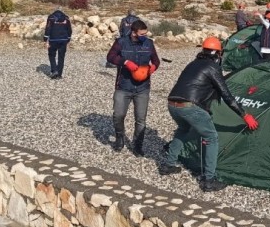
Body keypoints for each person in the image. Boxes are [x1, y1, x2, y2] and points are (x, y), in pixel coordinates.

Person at [160, 37, 259, 192]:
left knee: (183, 130)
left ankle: (168, 165)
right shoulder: (212, 67)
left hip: (172, 104)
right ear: (218, 53)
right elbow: (226, 95)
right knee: (211, 137)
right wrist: (244, 114)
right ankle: (209, 180)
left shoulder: (192, 64)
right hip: (188, 107)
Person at [106, 20, 160, 155]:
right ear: (134, 33)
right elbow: (110, 57)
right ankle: (119, 138)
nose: (145, 36)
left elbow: (156, 60)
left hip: (143, 87)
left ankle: (137, 145)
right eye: (142, 34)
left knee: (141, 119)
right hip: (123, 86)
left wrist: (154, 67)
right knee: (118, 115)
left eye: (146, 33)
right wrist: (125, 62)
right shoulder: (121, 42)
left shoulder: (149, 43)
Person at [43, 7, 72, 79]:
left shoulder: (51, 18)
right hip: (63, 40)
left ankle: (54, 71)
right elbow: (69, 29)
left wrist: (45, 38)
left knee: (52, 55)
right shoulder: (66, 18)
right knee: (61, 57)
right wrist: (68, 39)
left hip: (53, 39)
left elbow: (48, 28)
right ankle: (59, 74)